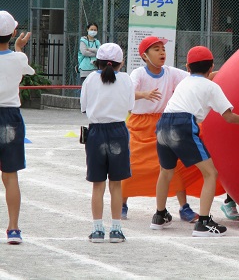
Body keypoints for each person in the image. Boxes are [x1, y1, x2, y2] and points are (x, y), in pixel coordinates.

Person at [153, 45, 239, 236]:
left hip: (163, 123)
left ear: (188, 68)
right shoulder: (212, 87)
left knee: (166, 171)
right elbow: (229, 116)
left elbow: (201, 77)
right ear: (211, 66)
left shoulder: (184, 81)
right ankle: (204, 223)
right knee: (210, 173)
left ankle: (159, 216)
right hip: (183, 125)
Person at [122, 36, 221, 223]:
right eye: (156, 49)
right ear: (144, 55)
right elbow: (128, 92)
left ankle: (184, 207)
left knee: (176, 167)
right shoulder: (138, 74)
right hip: (140, 125)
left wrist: (227, 71)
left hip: (164, 121)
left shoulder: (170, 72)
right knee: (133, 165)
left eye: (163, 49)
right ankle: (122, 202)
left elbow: (198, 77)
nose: (162, 52)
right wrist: (144, 94)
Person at [80, 43, 135, 243]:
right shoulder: (127, 79)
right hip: (118, 131)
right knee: (116, 184)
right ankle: (117, 230)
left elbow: (84, 107)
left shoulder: (90, 79)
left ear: (98, 62)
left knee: (97, 184)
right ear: (121, 62)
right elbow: (130, 106)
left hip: (96, 132)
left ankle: (97, 230)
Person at [0, 10, 34, 244]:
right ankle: (14, 229)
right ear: (13, 33)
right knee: (10, 175)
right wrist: (20, 47)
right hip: (10, 116)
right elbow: (23, 67)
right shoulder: (18, 58)